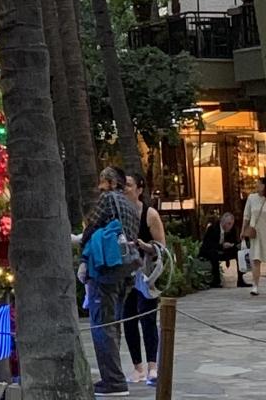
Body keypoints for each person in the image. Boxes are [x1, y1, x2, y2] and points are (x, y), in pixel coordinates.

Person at [81, 167, 140, 398]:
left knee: (102, 325)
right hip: (126, 269)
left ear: (111, 182)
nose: (100, 185)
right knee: (114, 324)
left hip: (107, 269)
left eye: (103, 180)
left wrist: (83, 252)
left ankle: (113, 380)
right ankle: (114, 377)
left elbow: (91, 227)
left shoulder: (108, 199)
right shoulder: (130, 205)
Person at [122, 172, 165, 384]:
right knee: (128, 318)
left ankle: (152, 366)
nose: (125, 188)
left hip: (145, 273)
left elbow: (161, 247)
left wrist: (144, 246)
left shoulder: (150, 214)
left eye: (129, 185)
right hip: (125, 273)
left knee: (147, 318)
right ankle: (137, 367)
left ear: (139, 189)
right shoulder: (119, 213)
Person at [200, 211, 248, 288]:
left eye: (232, 224)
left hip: (224, 251)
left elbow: (234, 241)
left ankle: (240, 280)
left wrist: (235, 245)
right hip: (211, 251)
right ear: (222, 222)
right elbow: (207, 244)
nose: (230, 226)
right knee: (213, 253)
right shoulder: (212, 228)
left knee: (239, 253)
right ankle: (216, 281)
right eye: (229, 224)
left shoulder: (232, 229)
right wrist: (221, 246)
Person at [241, 175, 266, 296]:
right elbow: (246, 216)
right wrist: (242, 231)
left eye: (259, 183)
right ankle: (255, 286)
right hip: (255, 233)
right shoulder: (251, 198)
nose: (257, 185)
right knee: (256, 259)